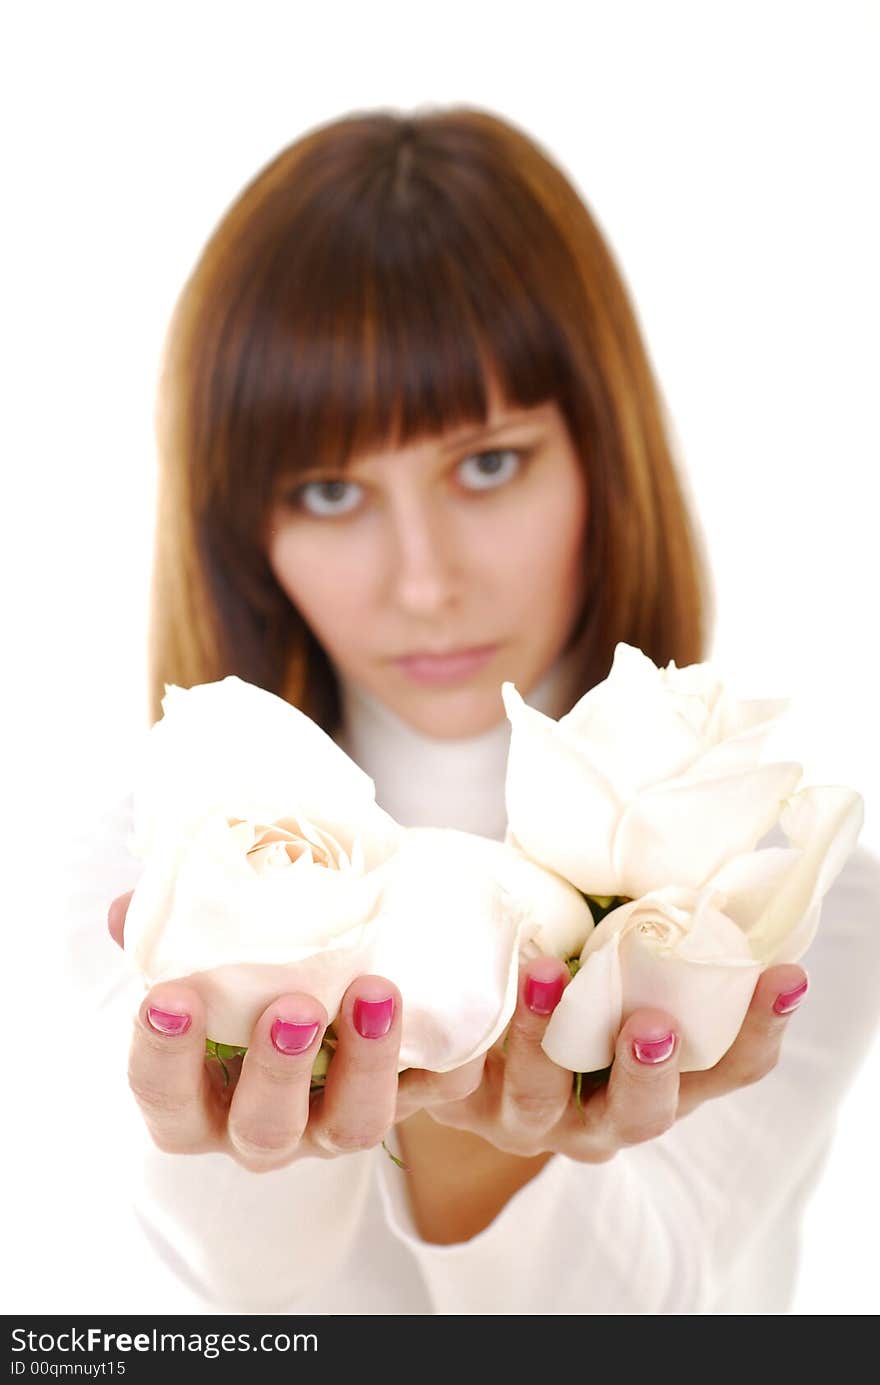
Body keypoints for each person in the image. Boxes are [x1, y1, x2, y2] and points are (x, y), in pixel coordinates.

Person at [73, 105, 879, 1315]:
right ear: (242, 531)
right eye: (333, 488)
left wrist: (477, 1127)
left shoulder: (780, 884)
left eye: (488, 463)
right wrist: (246, 1155)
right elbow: (256, 1318)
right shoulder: (128, 871)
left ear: (603, 455)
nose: (424, 579)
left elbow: (658, 1309)